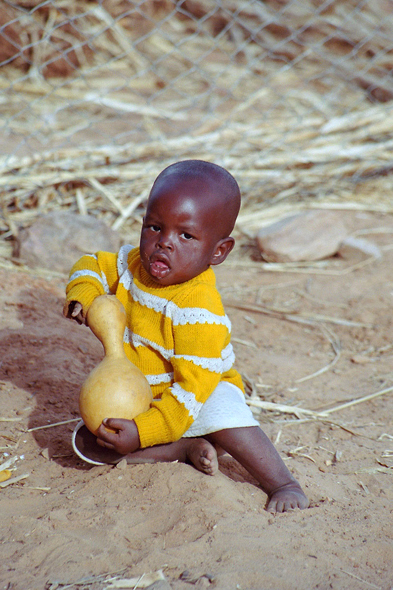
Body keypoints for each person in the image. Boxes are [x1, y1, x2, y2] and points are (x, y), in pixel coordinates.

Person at [64, 159, 309, 513]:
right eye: (154, 227)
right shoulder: (132, 265)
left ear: (218, 251)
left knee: (228, 418)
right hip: (143, 391)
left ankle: (281, 481)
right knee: (88, 441)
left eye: (186, 236)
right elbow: (90, 264)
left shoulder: (199, 309)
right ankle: (181, 450)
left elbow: (192, 392)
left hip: (197, 394)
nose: (163, 244)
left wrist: (143, 431)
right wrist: (82, 296)